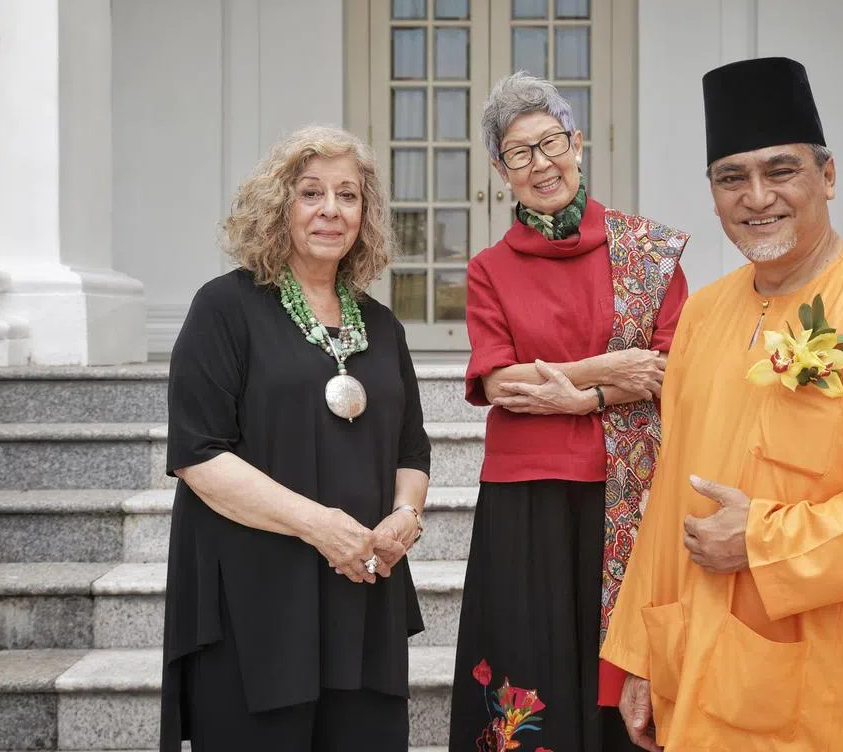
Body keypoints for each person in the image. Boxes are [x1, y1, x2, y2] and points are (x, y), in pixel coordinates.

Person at [601, 57, 843, 751]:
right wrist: (637, 655)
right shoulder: (705, 314)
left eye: (780, 171)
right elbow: (669, 496)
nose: (756, 198)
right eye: (732, 178)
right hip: (699, 666)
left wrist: (765, 540)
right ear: (714, 194)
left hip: (829, 683)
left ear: (828, 176)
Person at [159, 125, 431, 752]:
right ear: (279, 205)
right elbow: (199, 454)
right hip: (256, 602)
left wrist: (403, 518)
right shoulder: (224, 309)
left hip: (362, 590)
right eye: (311, 193)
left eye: (348, 195)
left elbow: (411, 452)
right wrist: (321, 527)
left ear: (366, 214)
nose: (331, 210)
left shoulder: (383, 326)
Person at [447, 71, 690, 752]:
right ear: (501, 171)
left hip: (631, 493)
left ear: (577, 143)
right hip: (526, 496)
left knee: (623, 668)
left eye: (550, 142)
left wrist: (581, 397)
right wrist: (611, 371)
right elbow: (499, 383)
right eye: (518, 154)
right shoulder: (490, 269)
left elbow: (675, 368)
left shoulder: (647, 253)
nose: (540, 164)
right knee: (530, 669)